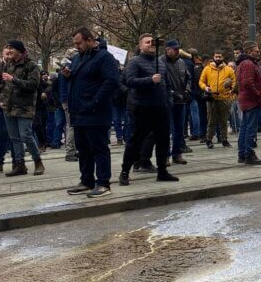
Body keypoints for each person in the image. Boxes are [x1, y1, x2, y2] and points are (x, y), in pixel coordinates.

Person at [63, 29, 120, 197]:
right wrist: (68, 76)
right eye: (75, 44)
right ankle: (86, 181)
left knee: (99, 148)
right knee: (83, 149)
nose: (76, 47)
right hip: (79, 112)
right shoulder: (78, 58)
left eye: (79, 43)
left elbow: (111, 82)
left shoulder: (104, 57)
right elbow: (81, 80)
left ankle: (103, 183)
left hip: (96, 113)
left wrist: (95, 102)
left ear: (89, 40)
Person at [119, 34, 177, 185]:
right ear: (140, 46)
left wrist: (168, 101)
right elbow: (130, 81)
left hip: (160, 107)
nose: (151, 44)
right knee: (136, 140)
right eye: (147, 42)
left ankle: (162, 171)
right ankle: (125, 171)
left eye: (153, 42)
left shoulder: (161, 63)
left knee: (163, 140)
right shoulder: (134, 62)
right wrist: (149, 80)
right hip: (142, 107)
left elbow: (167, 84)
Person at [0, 40, 44, 177]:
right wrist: (2, 101)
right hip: (9, 106)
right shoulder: (9, 64)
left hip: (25, 106)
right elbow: (6, 87)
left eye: (11, 49)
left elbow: (33, 85)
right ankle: (19, 165)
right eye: (8, 50)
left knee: (26, 135)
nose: (9, 52)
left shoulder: (31, 66)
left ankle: (38, 161)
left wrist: (14, 80)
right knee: (14, 138)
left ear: (19, 50)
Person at [235, 41, 261, 165]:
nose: (258, 53)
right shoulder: (248, 64)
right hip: (251, 101)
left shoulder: (243, 63)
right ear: (249, 52)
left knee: (244, 127)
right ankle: (248, 154)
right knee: (250, 129)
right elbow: (248, 83)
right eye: (256, 51)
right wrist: (259, 95)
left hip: (245, 100)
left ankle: (242, 154)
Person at [161, 40, 191, 165]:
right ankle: (165, 155)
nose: (177, 51)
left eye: (178, 49)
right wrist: (172, 93)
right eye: (175, 49)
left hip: (181, 100)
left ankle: (177, 153)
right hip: (167, 101)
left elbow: (188, 77)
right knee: (166, 130)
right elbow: (162, 81)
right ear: (168, 49)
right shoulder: (160, 62)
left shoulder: (181, 62)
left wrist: (187, 90)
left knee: (179, 129)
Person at [199, 51, 235, 149]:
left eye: (219, 57)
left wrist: (231, 90)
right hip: (212, 98)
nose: (218, 58)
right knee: (211, 120)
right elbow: (201, 81)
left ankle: (224, 139)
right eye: (216, 56)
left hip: (225, 98)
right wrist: (205, 88)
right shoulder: (207, 69)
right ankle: (209, 139)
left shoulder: (228, 69)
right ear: (213, 57)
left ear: (222, 57)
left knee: (224, 120)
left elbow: (234, 82)